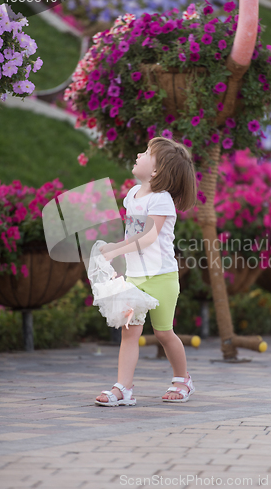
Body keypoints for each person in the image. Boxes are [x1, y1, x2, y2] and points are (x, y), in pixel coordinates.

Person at [95, 136, 197, 406]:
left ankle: (182, 379)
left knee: (164, 333)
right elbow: (131, 233)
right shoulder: (132, 195)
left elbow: (149, 236)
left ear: (155, 171)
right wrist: (118, 262)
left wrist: (116, 250)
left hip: (162, 277)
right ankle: (123, 389)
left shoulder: (161, 200)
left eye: (146, 152)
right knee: (130, 333)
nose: (138, 154)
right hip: (136, 277)